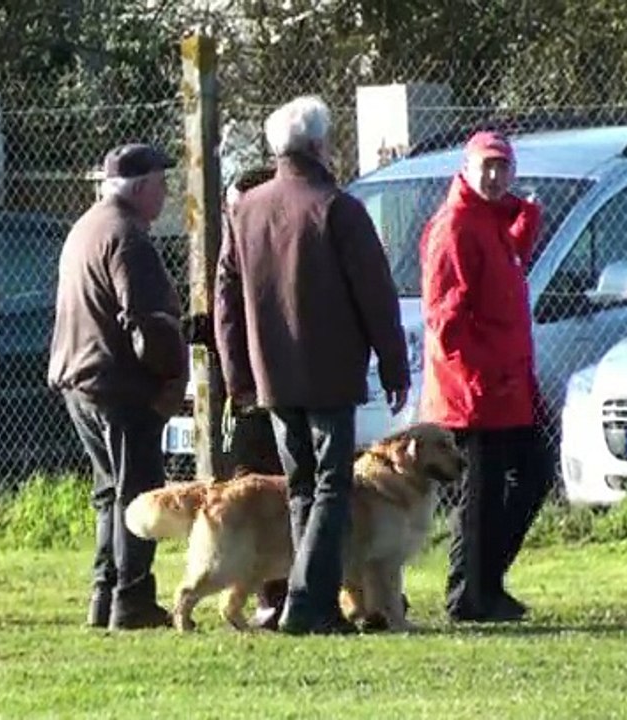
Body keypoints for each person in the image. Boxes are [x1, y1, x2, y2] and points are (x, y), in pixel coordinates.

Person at [214, 96, 410, 635]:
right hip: (329, 373)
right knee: (330, 485)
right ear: (321, 145)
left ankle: (306, 597)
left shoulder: (244, 210)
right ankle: (310, 603)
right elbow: (376, 294)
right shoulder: (338, 208)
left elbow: (225, 299)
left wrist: (238, 375)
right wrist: (394, 365)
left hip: (272, 377)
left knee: (301, 485)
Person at [48, 143, 189, 631]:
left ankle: (103, 595)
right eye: (162, 183)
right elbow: (146, 322)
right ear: (143, 186)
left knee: (110, 493)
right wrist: (170, 376)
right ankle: (131, 599)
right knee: (136, 495)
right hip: (119, 385)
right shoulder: (128, 237)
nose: (166, 193)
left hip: (79, 379)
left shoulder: (86, 227)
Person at [419, 130, 548, 623]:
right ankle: (470, 595)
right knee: (481, 495)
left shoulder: (490, 222)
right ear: (468, 170)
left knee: (532, 473)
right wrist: (473, 376)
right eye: (487, 167)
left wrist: (526, 218)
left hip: (507, 383)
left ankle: (485, 581)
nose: (495, 177)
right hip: (473, 390)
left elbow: (505, 263)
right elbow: (444, 319)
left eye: (503, 168)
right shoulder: (455, 226)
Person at [222, 166, 290, 629]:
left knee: (289, 491)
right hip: (251, 391)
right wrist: (236, 382)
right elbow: (227, 317)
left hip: (283, 384)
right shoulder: (234, 247)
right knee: (255, 494)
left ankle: (281, 592)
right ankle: (262, 593)